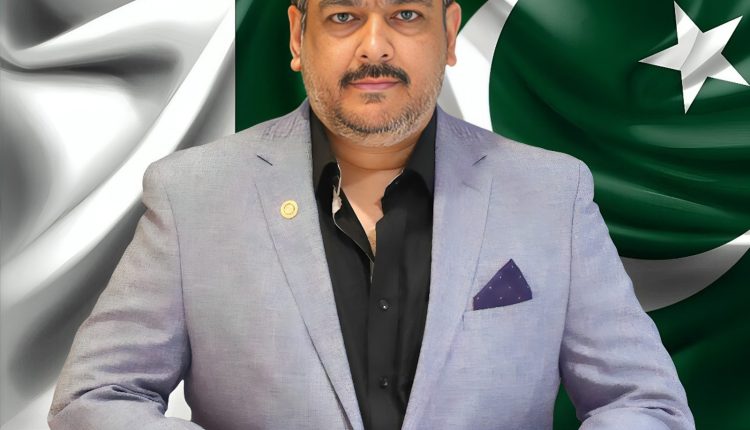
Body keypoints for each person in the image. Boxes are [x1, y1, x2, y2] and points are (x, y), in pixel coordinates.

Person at [49, 0, 695, 429]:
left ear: (449, 34)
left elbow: (645, 403)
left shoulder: (553, 193)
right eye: (344, 17)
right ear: (297, 36)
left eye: (406, 15)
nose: (374, 46)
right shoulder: (191, 194)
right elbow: (95, 398)